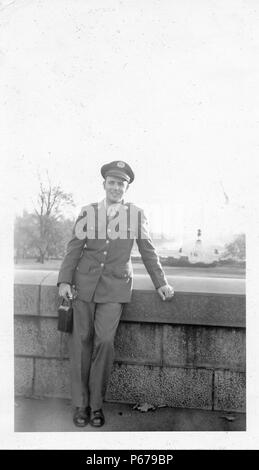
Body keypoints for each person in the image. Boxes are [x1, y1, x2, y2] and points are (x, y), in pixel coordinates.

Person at [57, 161, 174, 428]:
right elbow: (74, 248)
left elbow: (147, 249)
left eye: (121, 184)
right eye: (112, 182)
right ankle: (80, 405)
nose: (115, 187)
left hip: (115, 288)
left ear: (127, 188)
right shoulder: (88, 212)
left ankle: (96, 405)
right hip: (82, 286)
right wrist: (64, 281)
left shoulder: (135, 215)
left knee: (105, 342)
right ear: (104, 185)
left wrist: (161, 283)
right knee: (80, 343)